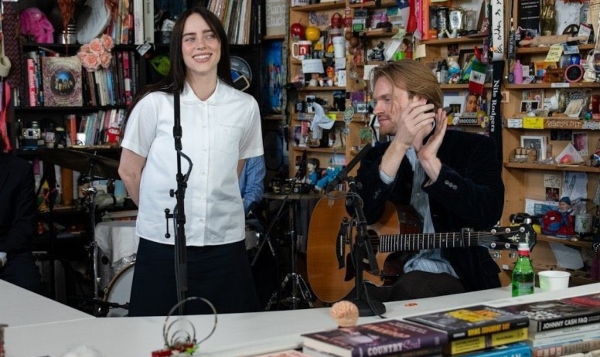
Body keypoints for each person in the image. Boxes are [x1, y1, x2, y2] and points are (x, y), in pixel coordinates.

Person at [118, 6, 263, 316]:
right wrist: (158, 216)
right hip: (162, 246)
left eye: (209, 36)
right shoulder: (154, 103)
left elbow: (234, 171)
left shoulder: (245, 106)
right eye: (190, 38)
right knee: (155, 337)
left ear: (221, 45)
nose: (201, 46)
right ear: (178, 49)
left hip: (225, 245)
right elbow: (129, 171)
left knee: (233, 336)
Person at [353, 60, 504, 301]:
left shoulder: (475, 147)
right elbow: (362, 214)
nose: (377, 110)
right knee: (352, 298)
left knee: (413, 287)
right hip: (389, 273)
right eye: (375, 101)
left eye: (387, 99)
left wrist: (432, 164)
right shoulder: (377, 156)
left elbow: (487, 213)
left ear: (420, 101)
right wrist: (400, 144)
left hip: (456, 275)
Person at [0, 131, 44, 294]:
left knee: (30, 289)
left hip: (9, 251)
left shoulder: (19, 169)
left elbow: (24, 222)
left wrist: (2, 255)